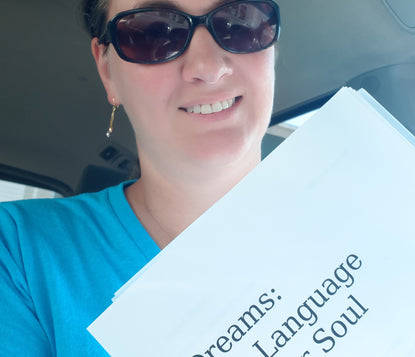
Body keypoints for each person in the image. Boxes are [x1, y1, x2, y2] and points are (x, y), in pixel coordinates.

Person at [0, 0, 280, 354]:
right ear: (107, 69)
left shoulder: (367, 212)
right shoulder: (16, 254)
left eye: (240, 22)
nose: (208, 67)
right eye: (153, 32)